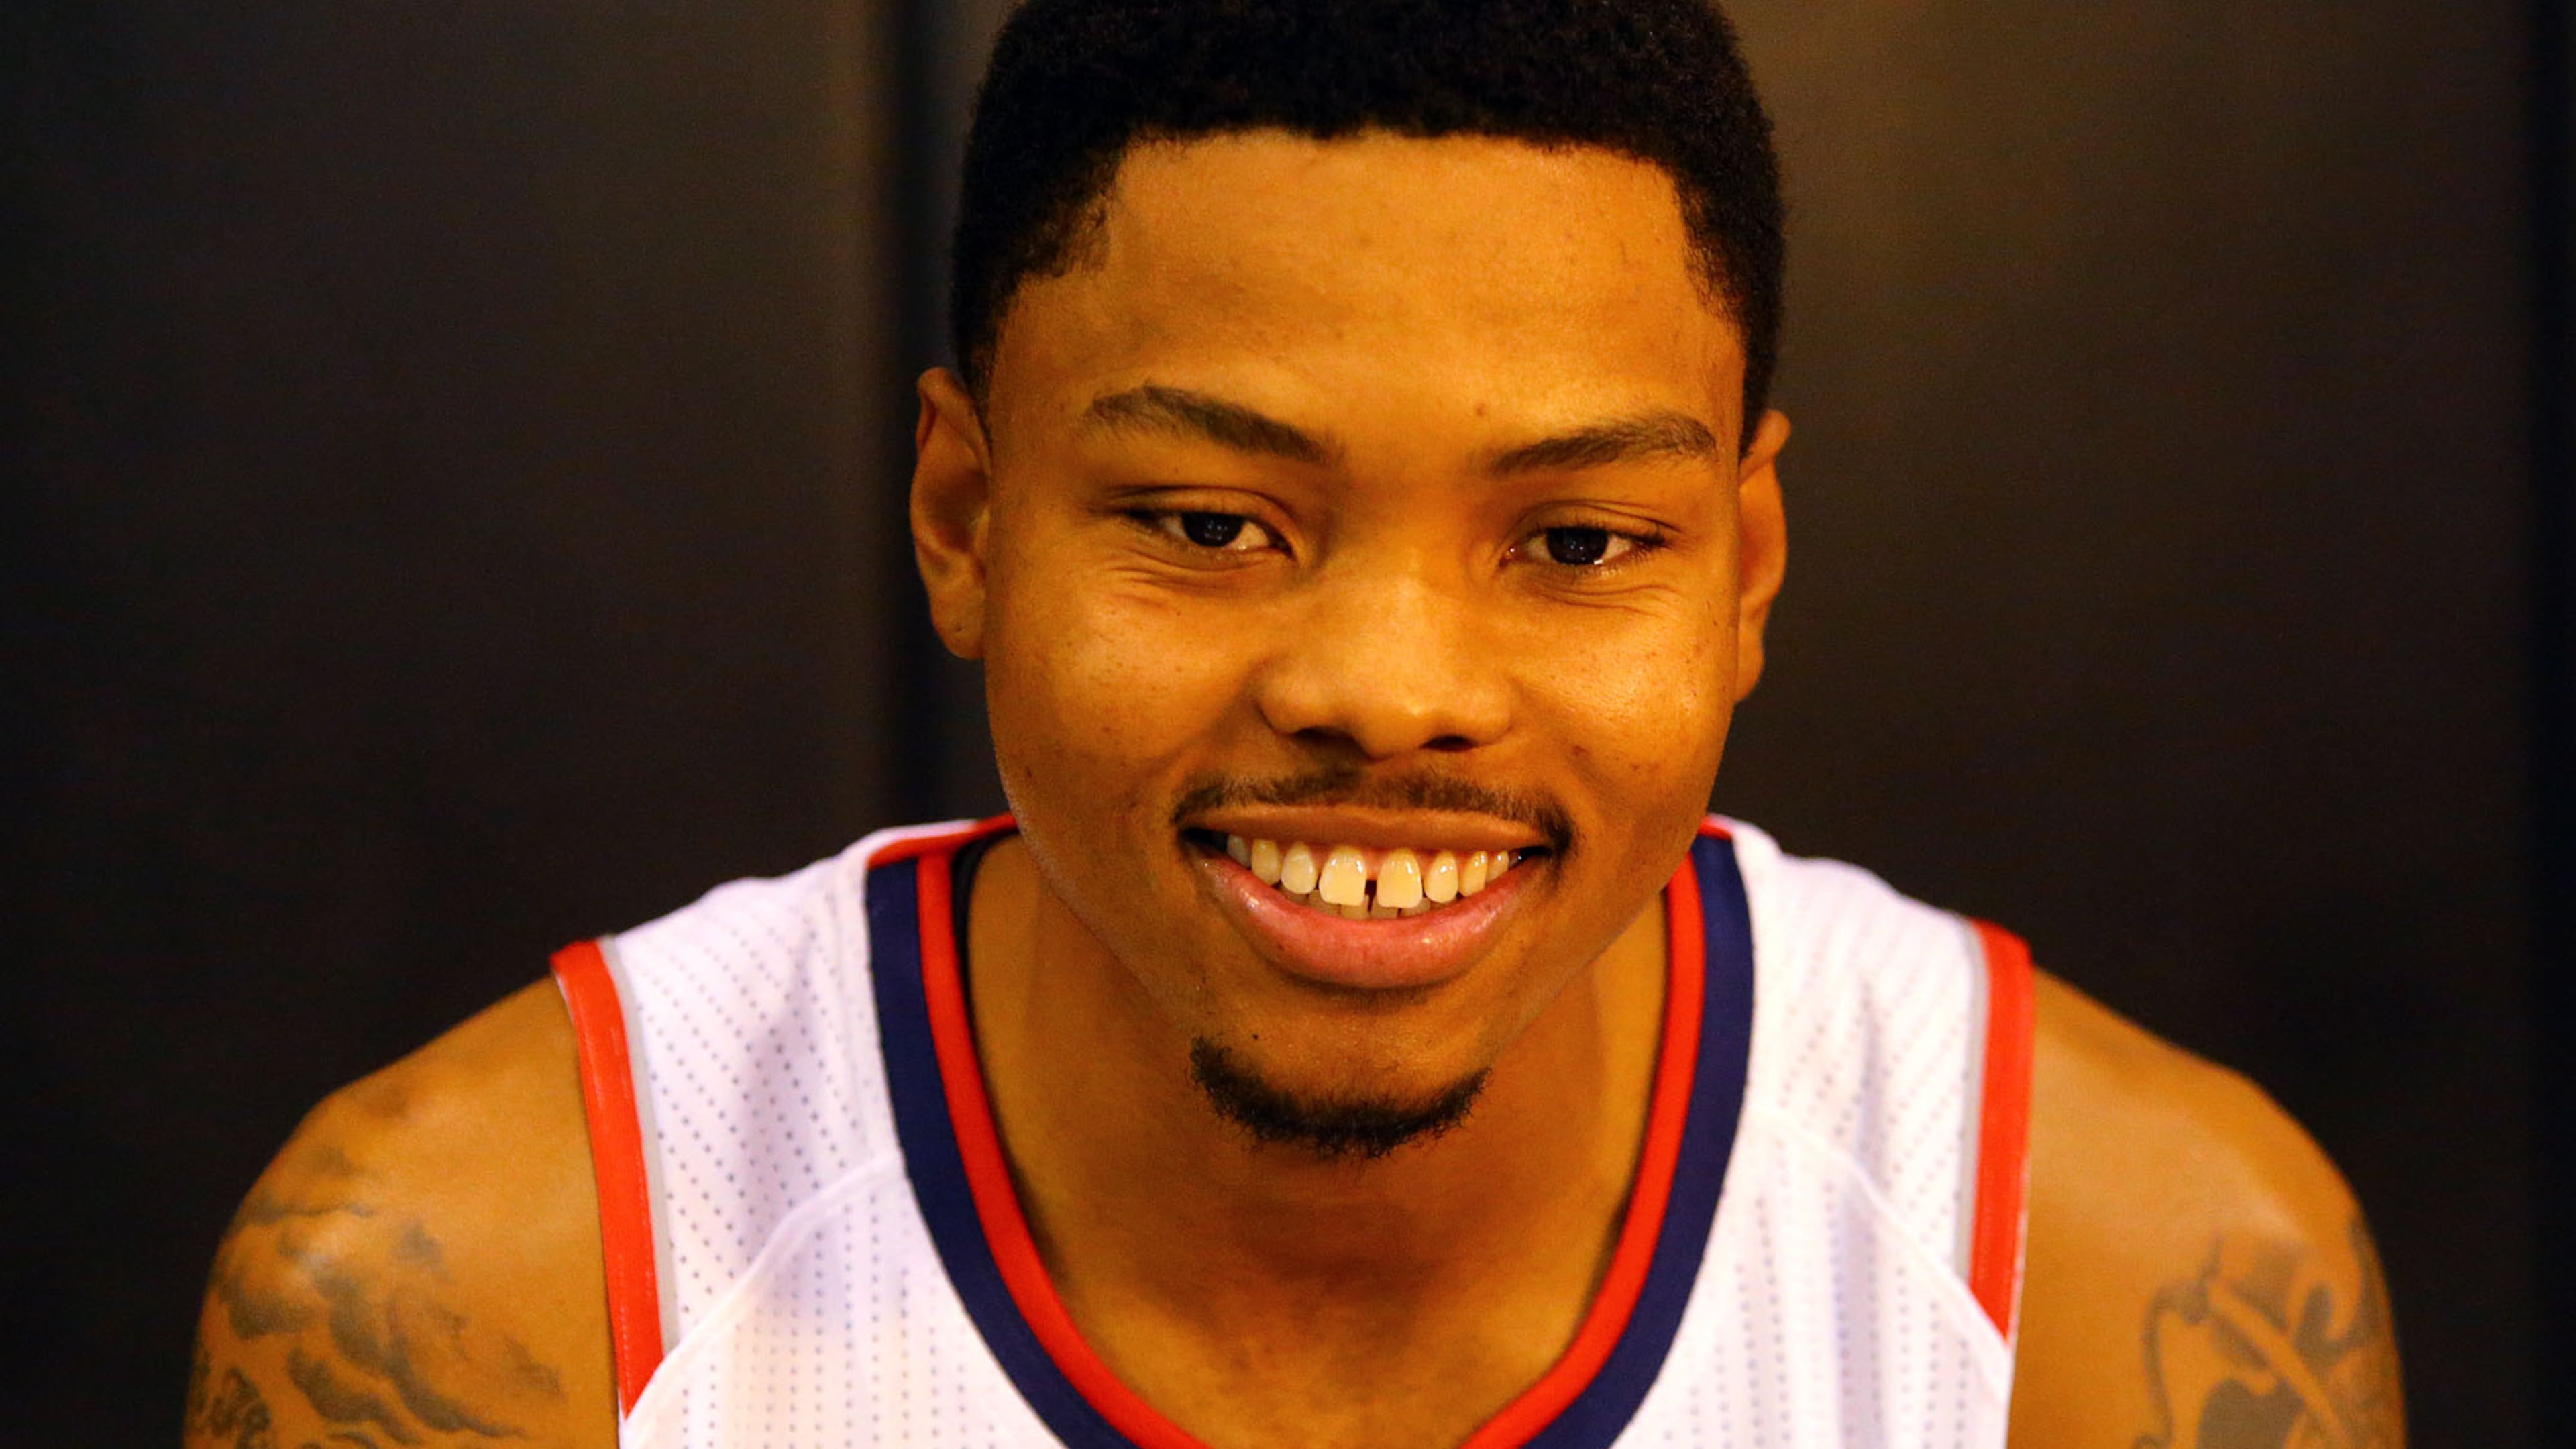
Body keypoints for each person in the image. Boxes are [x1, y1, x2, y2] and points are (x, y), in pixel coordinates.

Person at [184, 3, 2406, 1446]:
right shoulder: (491, 1304)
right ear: (964, 516)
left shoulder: (2115, 1294)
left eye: (1576, 543)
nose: (1389, 692)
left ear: (1746, 569)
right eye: (1215, 521)